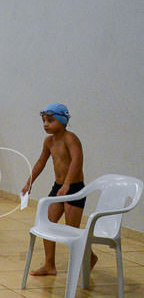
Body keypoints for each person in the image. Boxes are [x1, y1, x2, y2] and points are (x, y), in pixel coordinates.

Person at [21, 104, 92, 277]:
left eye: (50, 120)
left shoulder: (71, 139)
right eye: (44, 120)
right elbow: (40, 162)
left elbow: (77, 161)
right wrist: (29, 183)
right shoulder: (49, 141)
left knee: (72, 230)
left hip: (74, 189)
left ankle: (90, 257)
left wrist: (68, 184)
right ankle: (49, 265)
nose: (45, 124)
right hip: (58, 188)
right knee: (46, 223)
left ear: (62, 121)